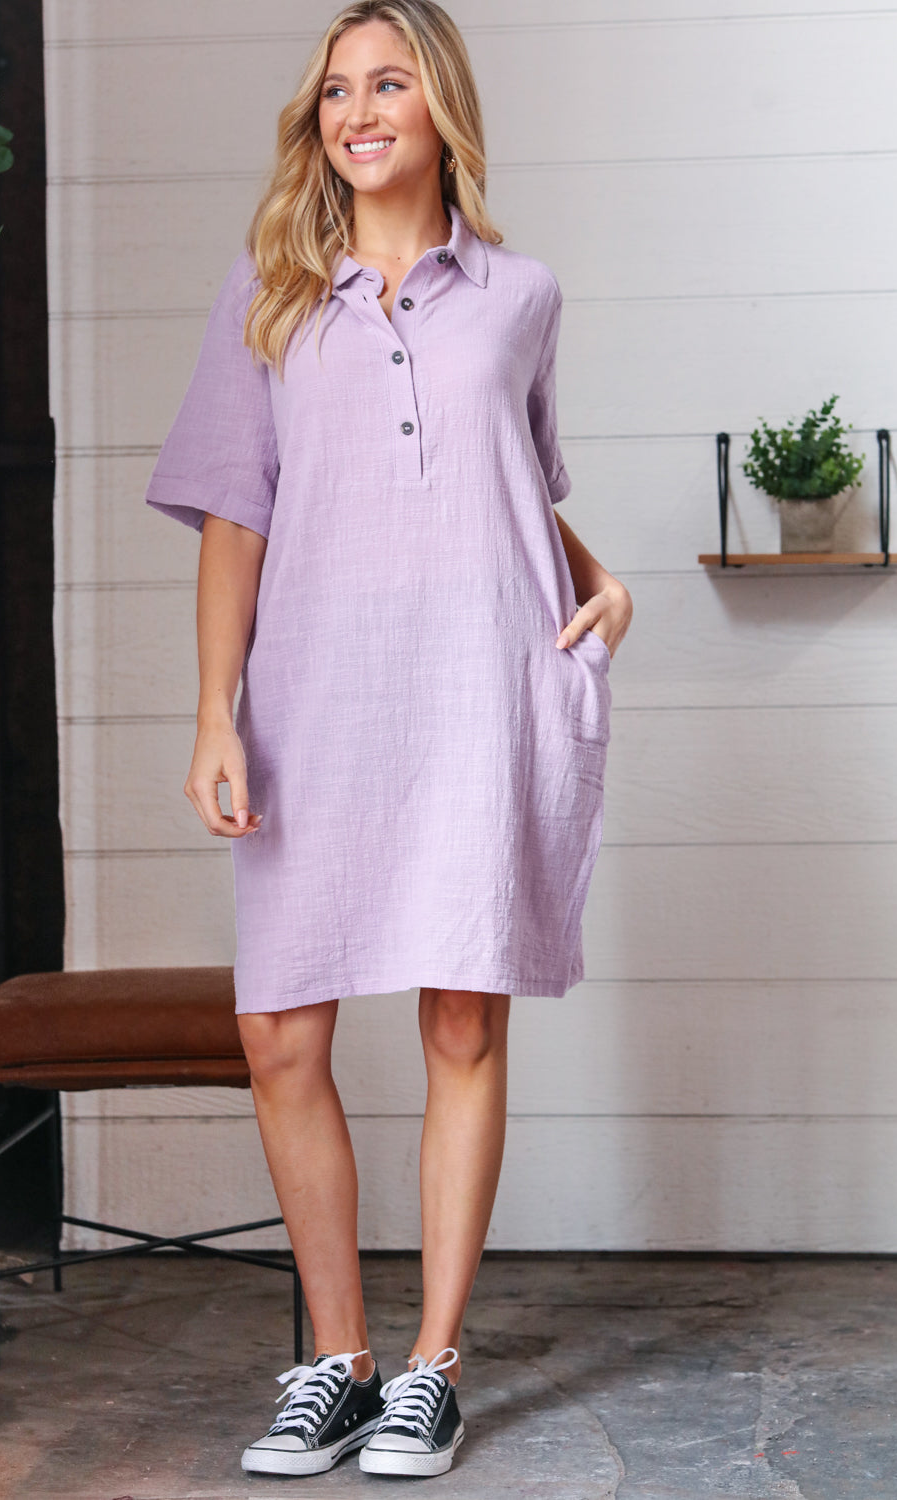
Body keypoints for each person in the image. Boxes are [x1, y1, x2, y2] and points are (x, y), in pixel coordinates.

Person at [145, 0, 633, 1480]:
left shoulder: (523, 295)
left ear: (441, 107)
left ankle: (432, 1368)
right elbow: (235, 515)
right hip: (312, 699)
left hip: (474, 692)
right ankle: (337, 1362)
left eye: (389, 81)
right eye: (336, 90)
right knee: (281, 1031)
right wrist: (216, 710)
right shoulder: (270, 294)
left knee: (462, 1022)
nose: (357, 111)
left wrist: (599, 577)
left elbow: (509, 482)